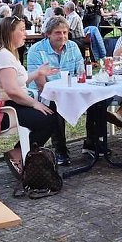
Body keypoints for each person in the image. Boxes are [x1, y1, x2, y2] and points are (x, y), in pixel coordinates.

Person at [0, 16, 58, 147]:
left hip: (0, 107)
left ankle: (25, 155)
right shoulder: (3, 56)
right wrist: (34, 103)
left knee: (49, 113)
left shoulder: (5, 53)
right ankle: (20, 155)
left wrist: (38, 73)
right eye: (22, 30)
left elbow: (16, 82)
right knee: (48, 120)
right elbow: (12, 90)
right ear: (10, 33)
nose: (25, 33)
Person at [26, 16, 86, 164]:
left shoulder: (72, 46)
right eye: (58, 33)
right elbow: (41, 85)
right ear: (48, 34)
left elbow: (81, 71)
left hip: (70, 90)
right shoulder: (36, 50)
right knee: (55, 104)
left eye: (65, 32)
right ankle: (60, 150)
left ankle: (94, 143)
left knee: (97, 102)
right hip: (44, 93)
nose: (63, 36)